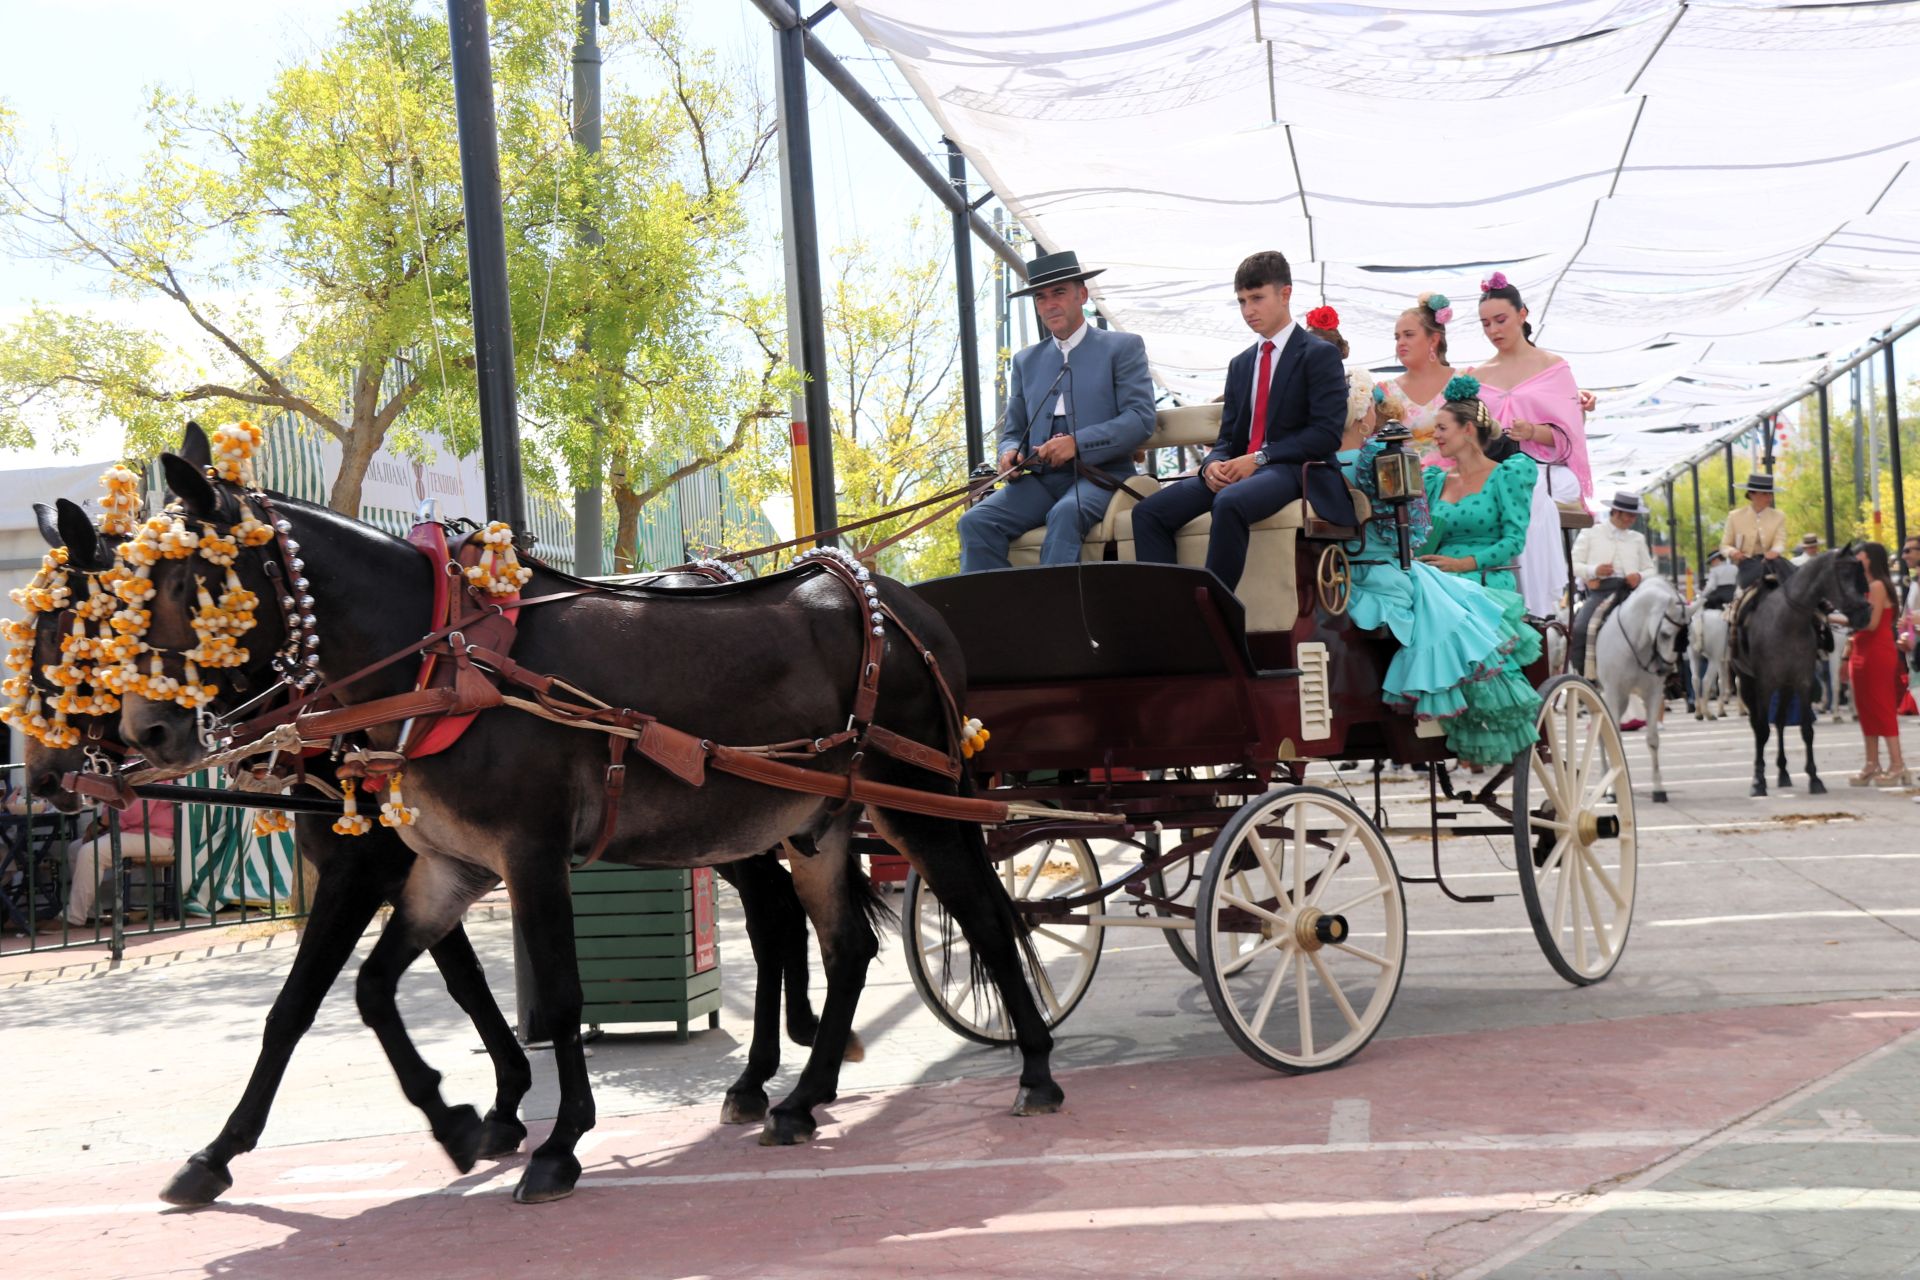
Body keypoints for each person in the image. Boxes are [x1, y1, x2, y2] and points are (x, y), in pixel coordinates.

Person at [1336, 374, 1541, 765]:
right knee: (1433, 588)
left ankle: (1486, 718)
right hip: (1432, 566)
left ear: (1468, 430)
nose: (1435, 436)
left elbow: (1514, 542)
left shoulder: (1508, 474)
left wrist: (1461, 563)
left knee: (1456, 598)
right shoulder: (1432, 478)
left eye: (1442, 428)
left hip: (1486, 570)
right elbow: (1414, 533)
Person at [1130, 250, 1354, 589]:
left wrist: (1260, 458)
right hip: (1242, 469)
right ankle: (1170, 617)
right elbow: (1227, 438)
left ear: (1285, 294)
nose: (1249, 310)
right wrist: (1213, 465)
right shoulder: (1241, 364)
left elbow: (1325, 435)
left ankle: (1214, 614)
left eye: (1257, 298)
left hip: (1293, 469)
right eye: (1242, 301)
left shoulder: (1319, 354)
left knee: (1230, 501)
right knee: (1148, 513)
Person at [958, 249, 1154, 571]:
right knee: (976, 522)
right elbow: (1013, 432)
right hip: (1040, 479)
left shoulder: (1123, 347)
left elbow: (1140, 419)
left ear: (1082, 295)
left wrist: (1077, 442)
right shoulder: (1026, 361)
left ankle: (1054, 617)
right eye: (1040, 297)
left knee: (1065, 514)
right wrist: (1009, 454)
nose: (1049, 304)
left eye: (1059, 293)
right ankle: (996, 617)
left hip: (1101, 475)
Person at [1468, 272, 1594, 618]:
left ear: (1523, 314)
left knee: (1527, 489)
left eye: (1500, 320)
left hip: (1546, 468)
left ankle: (1533, 606)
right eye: (1485, 323)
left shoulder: (1554, 368)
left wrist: (1534, 432)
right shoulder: (1475, 376)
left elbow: (1571, 438)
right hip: (1492, 469)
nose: (1493, 330)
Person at [1567, 491, 1656, 679]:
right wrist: (1594, 570)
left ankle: (1663, 675)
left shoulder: (1637, 538)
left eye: (1634, 515)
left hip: (1632, 592)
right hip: (1601, 591)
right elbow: (1573, 564)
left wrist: (1639, 576)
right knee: (1581, 628)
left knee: (1662, 626)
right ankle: (1584, 676)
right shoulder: (1590, 533)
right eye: (1629, 515)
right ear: (1616, 512)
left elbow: (1651, 569)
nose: (1632, 519)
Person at [1845, 542, 1908, 787]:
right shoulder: (1865, 587)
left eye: (1859, 554)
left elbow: (1871, 624)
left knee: (1881, 707)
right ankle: (1872, 763)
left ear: (1870, 558)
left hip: (1877, 651)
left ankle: (1897, 763)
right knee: (1866, 709)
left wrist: (1835, 618)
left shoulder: (1878, 586)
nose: (1856, 558)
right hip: (1861, 650)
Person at [59, 800, 176, 930]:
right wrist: (103, 822)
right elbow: (110, 804)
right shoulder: (123, 778)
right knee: (75, 849)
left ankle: (73, 918)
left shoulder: (151, 778)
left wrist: (103, 823)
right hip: (131, 833)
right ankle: (89, 915)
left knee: (90, 852)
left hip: (156, 836)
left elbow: (136, 813)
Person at [1384, 293, 1455, 455]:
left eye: (1409, 335)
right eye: (1397, 337)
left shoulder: (1465, 380)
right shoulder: (1386, 391)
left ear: (1434, 339)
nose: (1401, 342)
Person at [1720, 473, 1788, 589]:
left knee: (1795, 577)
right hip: (1747, 564)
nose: (1769, 498)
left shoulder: (1779, 516)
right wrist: (1733, 552)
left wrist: (1775, 551)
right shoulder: (1735, 516)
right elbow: (1724, 545)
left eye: (1770, 494)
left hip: (1773, 562)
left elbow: (1780, 540)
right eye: (1765, 494)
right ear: (1752, 495)